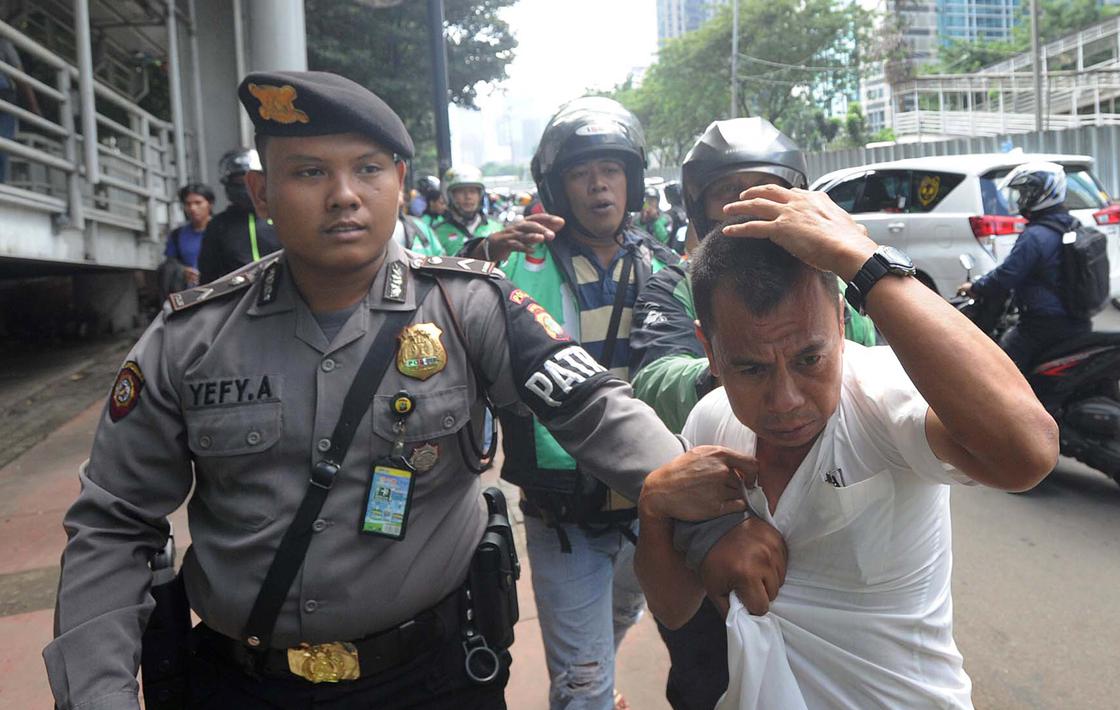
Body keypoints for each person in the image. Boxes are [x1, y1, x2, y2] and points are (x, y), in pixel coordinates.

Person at [43, 70, 756, 710]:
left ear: (399, 180)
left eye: (368, 168)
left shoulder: (466, 306)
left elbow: (594, 409)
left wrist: (714, 523)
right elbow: (113, 524)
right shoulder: (186, 341)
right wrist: (96, 692)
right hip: (241, 684)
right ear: (262, 192)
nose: (344, 195)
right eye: (310, 171)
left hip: (433, 676)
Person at [634, 187, 1059, 708]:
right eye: (751, 368)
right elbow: (674, 608)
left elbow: (1030, 452)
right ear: (710, 351)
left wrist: (864, 260)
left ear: (840, 323)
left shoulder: (882, 395)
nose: (786, 401)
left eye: (810, 359)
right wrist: (654, 507)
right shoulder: (710, 420)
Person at [628, 116, 878, 710]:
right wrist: (738, 364)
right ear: (697, 207)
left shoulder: (836, 284)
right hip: (718, 526)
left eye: (764, 189)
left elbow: (877, 367)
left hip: (831, 526)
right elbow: (655, 381)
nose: (746, 207)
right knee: (707, 679)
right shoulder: (675, 284)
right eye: (727, 194)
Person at [460, 96, 680, 710]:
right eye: (582, 173)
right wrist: (484, 255)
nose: (598, 185)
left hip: (649, 503)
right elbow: (442, 305)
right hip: (565, 516)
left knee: (615, 623)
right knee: (578, 686)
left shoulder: (664, 265)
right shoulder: (520, 265)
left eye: (610, 170)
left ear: (631, 181)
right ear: (557, 187)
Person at [960, 162, 1092, 371]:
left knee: (1001, 368)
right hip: (1076, 319)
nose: (1022, 199)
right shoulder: (1070, 225)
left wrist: (976, 287)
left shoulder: (1035, 236)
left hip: (1043, 324)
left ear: (1044, 192)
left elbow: (1007, 275)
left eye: (1027, 192)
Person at [195, 147, 281, 282]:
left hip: (285, 295)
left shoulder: (282, 217)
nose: (246, 187)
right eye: (239, 182)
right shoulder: (219, 225)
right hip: (239, 299)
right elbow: (208, 274)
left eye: (250, 181)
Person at [158, 183, 215, 298]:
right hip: (189, 296)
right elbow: (169, 265)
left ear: (210, 204)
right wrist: (182, 272)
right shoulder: (177, 235)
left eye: (198, 203)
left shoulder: (222, 230)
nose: (193, 208)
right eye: (188, 204)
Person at [431, 164, 499, 255]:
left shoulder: (497, 227)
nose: (468, 197)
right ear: (450, 196)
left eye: (473, 191)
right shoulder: (436, 233)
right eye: (461, 191)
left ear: (480, 195)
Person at [0, 36, 41, 183]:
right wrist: (34, 107)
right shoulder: (3, 41)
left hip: (4, 96)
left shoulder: (3, 41)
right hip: (4, 95)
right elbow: (20, 75)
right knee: (2, 146)